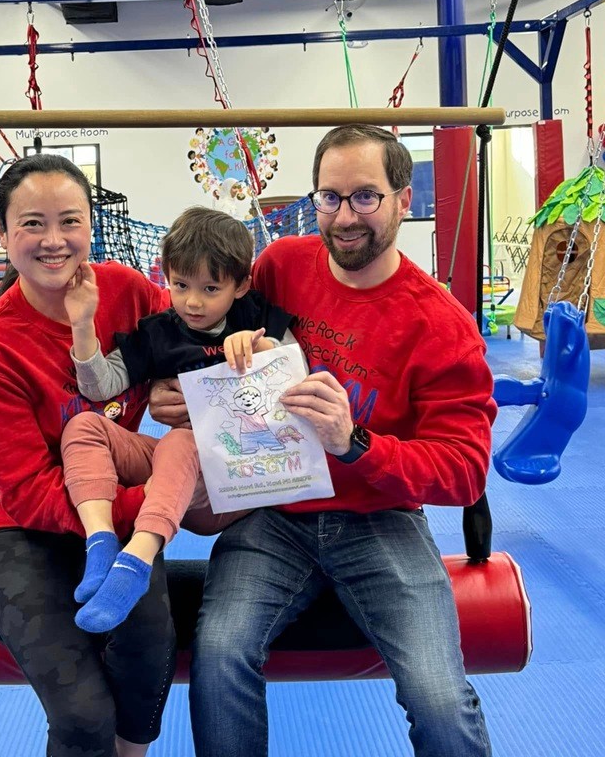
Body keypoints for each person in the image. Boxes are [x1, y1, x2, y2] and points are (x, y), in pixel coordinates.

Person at [150, 124, 497, 757]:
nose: (345, 216)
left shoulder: (440, 324)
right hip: (275, 515)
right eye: (329, 197)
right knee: (219, 656)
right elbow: (196, 316)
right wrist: (175, 389)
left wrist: (355, 442)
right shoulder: (281, 266)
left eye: (365, 196)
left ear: (404, 199)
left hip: (380, 521)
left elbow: (466, 472)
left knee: (441, 700)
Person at [0, 153, 175, 757]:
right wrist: (154, 507)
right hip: (16, 530)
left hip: (115, 519)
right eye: (32, 224)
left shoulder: (128, 293)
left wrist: (189, 383)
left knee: (150, 645)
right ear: (2, 235)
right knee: (81, 714)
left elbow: (196, 329)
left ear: (90, 227)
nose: (54, 241)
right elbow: (26, 491)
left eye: (69, 221)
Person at [60, 206, 296, 634]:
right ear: (165, 275)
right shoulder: (161, 331)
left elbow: (295, 375)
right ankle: (101, 543)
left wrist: (263, 350)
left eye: (210, 289)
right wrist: (82, 326)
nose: (192, 301)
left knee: (181, 441)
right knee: (84, 426)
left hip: (241, 482)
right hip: (183, 484)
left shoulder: (256, 318)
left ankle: (137, 559)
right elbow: (99, 387)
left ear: (241, 285)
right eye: (180, 285)